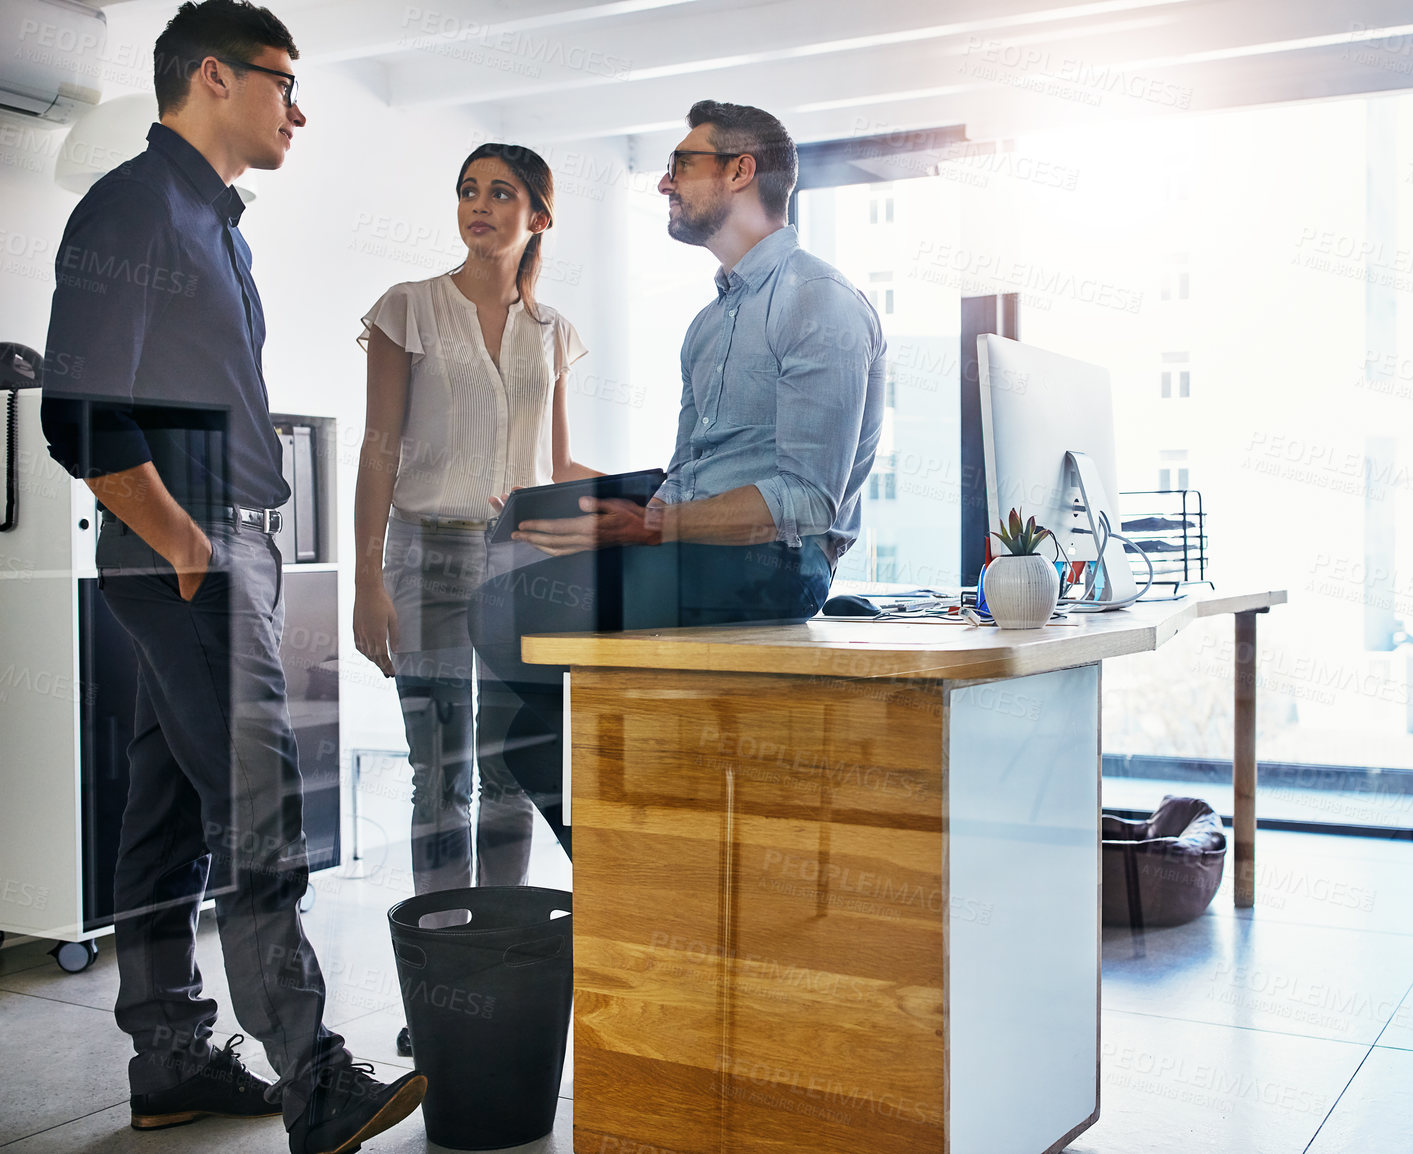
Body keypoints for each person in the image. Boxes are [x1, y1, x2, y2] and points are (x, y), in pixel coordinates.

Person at [38, 3, 425, 1150]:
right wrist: (188, 543)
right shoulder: (135, 206)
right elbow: (81, 411)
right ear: (214, 76)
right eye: (284, 84)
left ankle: (171, 1056)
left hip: (213, 548)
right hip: (192, 551)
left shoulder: (215, 225)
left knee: (165, 819)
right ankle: (315, 1078)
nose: (297, 110)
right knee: (262, 817)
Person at [467, 99, 887, 841]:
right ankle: (629, 870)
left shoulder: (816, 301)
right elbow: (686, 471)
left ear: (739, 171)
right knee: (508, 723)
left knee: (504, 612)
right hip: (694, 546)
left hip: (777, 563)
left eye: (680, 165)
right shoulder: (709, 322)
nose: (664, 183)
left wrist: (655, 526)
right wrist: (581, 508)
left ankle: (636, 857)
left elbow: (808, 499)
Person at [353, 141, 593, 1056]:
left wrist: (657, 500)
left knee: (508, 778)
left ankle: (497, 971)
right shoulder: (407, 310)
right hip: (427, 559)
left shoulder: (553, 331)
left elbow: (559, 464)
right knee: (439, 774)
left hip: (522, 568)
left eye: (502, 193)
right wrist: (368, 576)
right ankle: (441, 991)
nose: (479, 206)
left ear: (538, 215)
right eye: (467, 191)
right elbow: (381, 447)